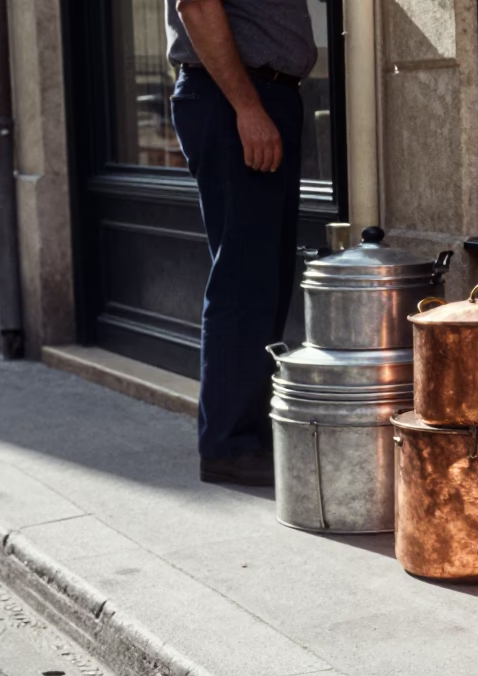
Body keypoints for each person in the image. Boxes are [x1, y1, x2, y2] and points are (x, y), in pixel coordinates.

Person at [166, 0, 316, 485]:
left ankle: (248, 434)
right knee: (243, 280)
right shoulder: (242, 101)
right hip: (235, 96)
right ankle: (229, 444)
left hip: (259, 95)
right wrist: (248, 107)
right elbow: (197, 4)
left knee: (263, 279)